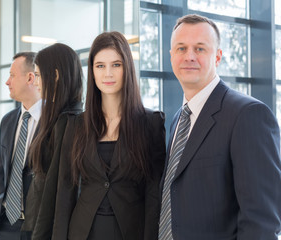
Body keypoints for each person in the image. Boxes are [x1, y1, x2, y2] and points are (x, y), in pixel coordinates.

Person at [158, 14, 281, 240]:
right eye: (181, 48)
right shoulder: (178, 118)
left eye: (200, 49)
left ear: (218, 57)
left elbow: (261, 222)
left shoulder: (248, 115)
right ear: (171, 56)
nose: (189, 56)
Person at [52, 31, 166, 240]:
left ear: (127, 68)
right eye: (100, 66)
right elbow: (65, 191)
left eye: (116, 65)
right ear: (93, 72)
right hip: (83, 231)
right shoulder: (76, 125)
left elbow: (153, 195)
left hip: (131, 231)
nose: (108, 74)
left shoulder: (151, 123)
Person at [20, 43, 83, 239]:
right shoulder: (56, 117)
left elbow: (55, 193)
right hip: (37, 223)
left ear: (55, 75)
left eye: (38, 75)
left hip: (45, 230)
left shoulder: (68, 121)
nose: (36, 82)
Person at [0, 52, 41, 240]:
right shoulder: (7, 121)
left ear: (30, 77)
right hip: (6, 225)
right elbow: (1, 172)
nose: (7, 82)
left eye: (12, 75)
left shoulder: (54, 122)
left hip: (38, 227)